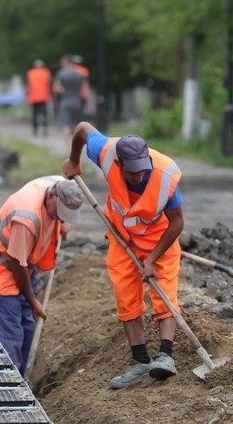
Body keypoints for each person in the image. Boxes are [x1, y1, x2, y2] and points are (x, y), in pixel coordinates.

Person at [62, 122, 184, 389]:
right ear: (118, 164)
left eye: (143, 171)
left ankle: (166, 356)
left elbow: (177, 224)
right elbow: (83, 128)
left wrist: (151, 259)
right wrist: (74, 160)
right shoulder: (106, 152)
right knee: (125, 296)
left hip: (160, 240)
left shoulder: (165, 176)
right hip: (122, 238)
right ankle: (140, 360)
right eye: (133, 174)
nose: (139, 177)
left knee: (165, 293)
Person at [0, 175, 84, 379]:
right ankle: (8, 384)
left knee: (29, 324)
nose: (60, 217)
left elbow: (60, 213)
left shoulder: (60, 185)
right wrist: (32, 299)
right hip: (0, 268)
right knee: (10, 334)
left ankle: (23, 377)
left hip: (25, 265)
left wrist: (62, 223)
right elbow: (18, 264)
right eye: (59, 213)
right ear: (51, 196)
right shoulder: (25, 219)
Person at [53, 55, 91, 146]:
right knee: (76, 125)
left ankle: (68, 146)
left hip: (65, 101)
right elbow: (85, 91)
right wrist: (88, 104)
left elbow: (56, 88)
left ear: (67, 62)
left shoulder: (61, 73)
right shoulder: (81, 74)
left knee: (65, 125)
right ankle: (76, 146)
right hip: (77, 101)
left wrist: (62, 90)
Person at [26, 59, 53, 137]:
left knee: (34, 115)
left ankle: (35, 130)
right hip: (44, 97)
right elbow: (49, 84)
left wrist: (27, 96)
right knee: (44, 115)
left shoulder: (30, 73)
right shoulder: (46, 72)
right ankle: (45, 130)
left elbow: (28, 86)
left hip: (33, 97)